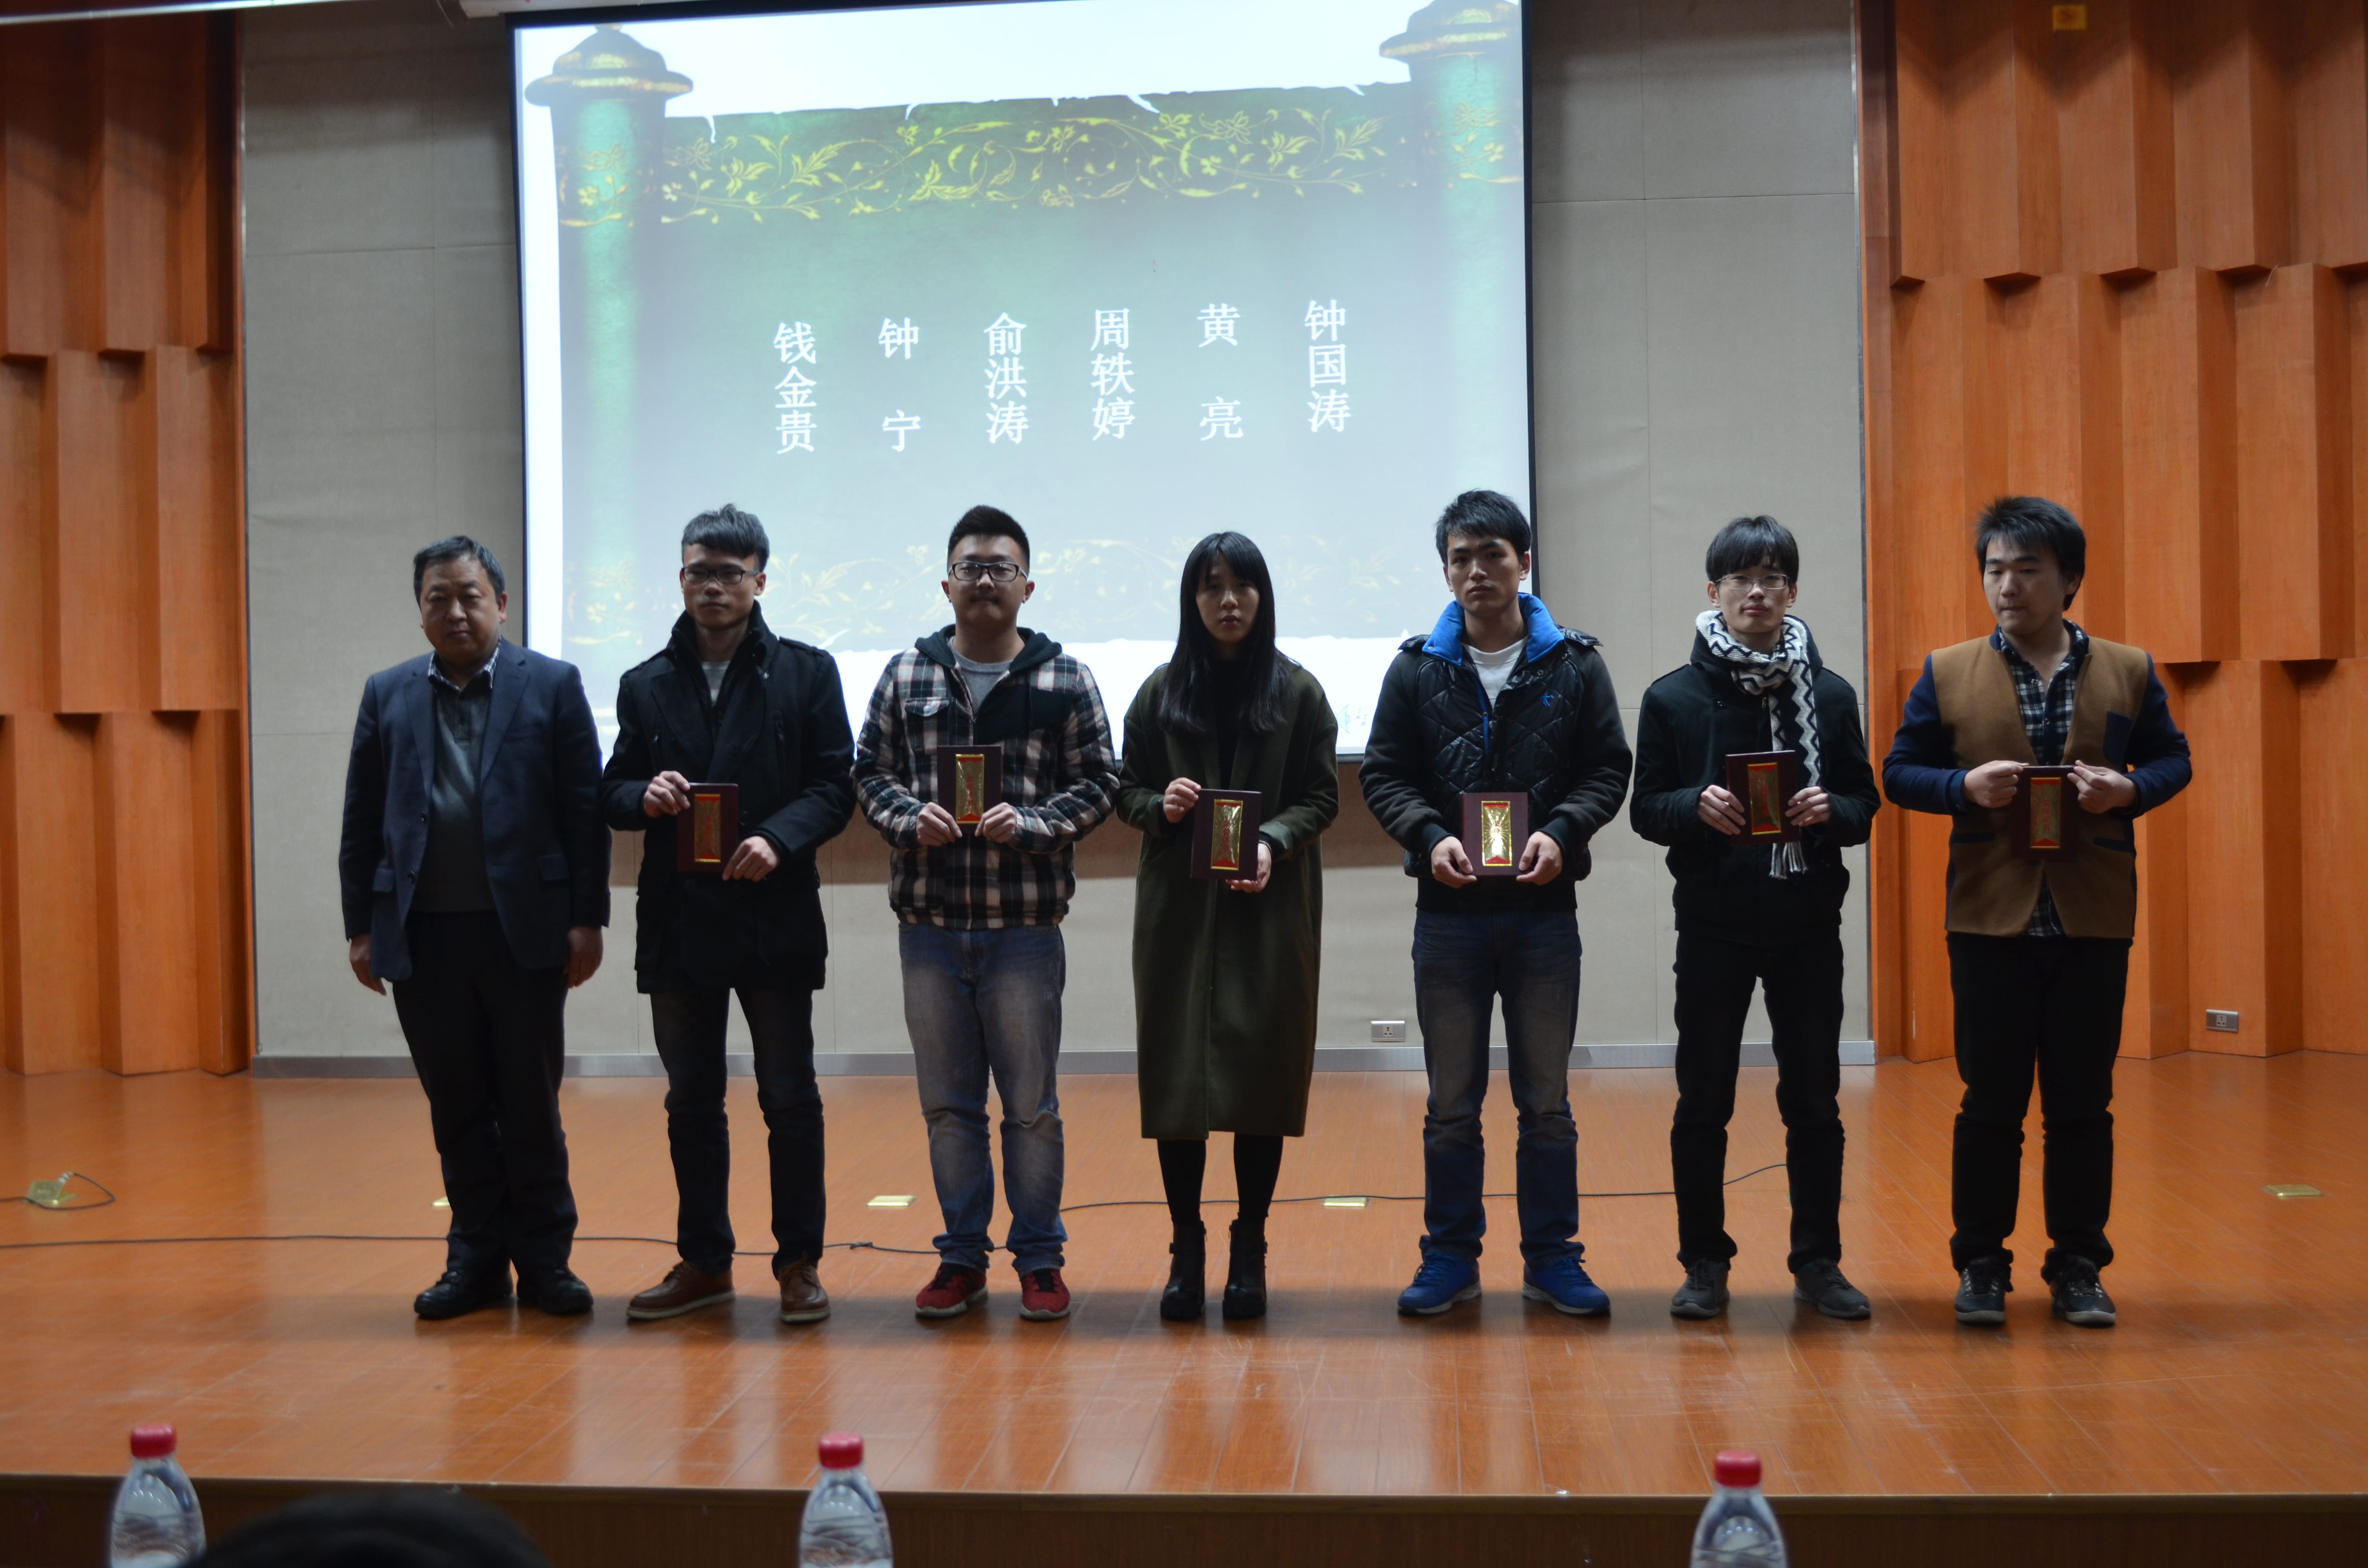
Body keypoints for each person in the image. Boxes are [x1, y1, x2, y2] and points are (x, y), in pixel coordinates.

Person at [1884, 496, 2190, 1328]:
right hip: (1989, 919)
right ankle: (1981, 1265)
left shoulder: (2129, 668)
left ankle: (2079, 1266)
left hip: (2093, 916)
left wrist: (2130, 789)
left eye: (2027, 569)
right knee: (1990, 1102)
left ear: (2070, 580)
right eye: (1995, 570)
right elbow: (1899, 772)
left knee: (2082, 1105)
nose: (2007, 586)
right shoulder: (1947, 670)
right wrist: (1961, 786)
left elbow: (2173, 759)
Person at [1360, 490, 1632, 1317]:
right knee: (1451, 1105)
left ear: (1524, 563)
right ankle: (1450, 1258)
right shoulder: (1416, 668)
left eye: (1493, 555)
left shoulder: (1574, 664)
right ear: (1446, 570)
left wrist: (1562, 831)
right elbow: (1384, 774)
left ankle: (1553, 1259)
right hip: (1447, 918)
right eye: (1461, 558)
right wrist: (1428, 835)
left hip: (1545, 915)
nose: (1477, 571)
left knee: (1545, 1103)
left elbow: (1607, 768)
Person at [852, 504, 1120, 1323]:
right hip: (930, 929)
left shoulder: (1065, 679)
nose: (984, 580)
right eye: (969, 567)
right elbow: (868, 774)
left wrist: (1032, 824)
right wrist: (909, 818)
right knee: (948, 1106)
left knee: (1031, 1107)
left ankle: (1040, 1260)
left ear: (1027, 586)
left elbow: (1102, 783)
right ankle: (961, 1259)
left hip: (1023, 931)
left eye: (1001, 567)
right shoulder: (907, 675)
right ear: (947, 584)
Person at [338, 537, 609, 1320]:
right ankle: (476, 1263)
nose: (455, 611)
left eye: (470, 595)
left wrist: (586, 919)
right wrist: (362, 926)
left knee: (530, 1106)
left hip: (524, 932)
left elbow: (583, 812)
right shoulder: (387, 692)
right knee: (456, 1108)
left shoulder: (552, 684)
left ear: (502, 603)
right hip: (423, 936)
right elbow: (363, 818)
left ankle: (547, 1264)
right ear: (420, 609)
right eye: (439, 598)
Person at [602, 504, 855, 1326]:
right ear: (681, 579)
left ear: (760, 582)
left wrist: (779, 838)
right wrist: (642, 795)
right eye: (699, 572)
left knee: (789, 1097)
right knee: (691, 1101)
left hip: (772, 911)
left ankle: (799, 1264)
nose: (713, 587)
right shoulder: (644, 683)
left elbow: (834, 785)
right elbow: (611, 789)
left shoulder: (808, 672)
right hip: (681, 920)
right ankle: (705, 1262)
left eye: (730, 573)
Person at [1629, 516, 1882, 1322]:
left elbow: (1865, 804)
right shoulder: (1672, 696)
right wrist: (1692, 805)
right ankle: (1704, 1263)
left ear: (1792, 592)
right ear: (1715, 591)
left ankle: (1818, 1262)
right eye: (1741, 579)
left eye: (1773, 579)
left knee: (1815, 1102)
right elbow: (1645, 809)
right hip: (1714, 926)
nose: (1757, 593)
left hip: (1808, 924)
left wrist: (1831, 808)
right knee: (1704, 1101)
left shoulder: (1829, 694)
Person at [1115, 533, 1340, 1322]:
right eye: (1211, 587)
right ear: (1193, 600)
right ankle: (1187, 1246)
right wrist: (1161, 806)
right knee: (1179, 1076)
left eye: (1243, 586)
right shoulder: (1158, 692)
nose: (1229, 601)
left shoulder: (1299, 692)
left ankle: (1251, 1244)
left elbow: (1322, 796)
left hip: (1269, 907)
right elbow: (1125, 790)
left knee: (1261, 1077)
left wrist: (1273, 840)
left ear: (1263, 597)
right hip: (1179, 912)